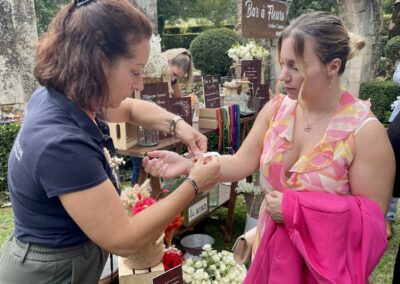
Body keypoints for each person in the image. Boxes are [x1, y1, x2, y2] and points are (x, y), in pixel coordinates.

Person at [143, 11, 395, 282]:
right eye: (282, 64)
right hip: (269, 257)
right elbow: (241, 163)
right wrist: (191, 164)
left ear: (332, 66)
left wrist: (297, 210)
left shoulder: (364, 131)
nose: (283, 76)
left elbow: (370, 225)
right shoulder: (277, 109)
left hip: (322, 272)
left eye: (295, 66)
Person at [0, 1, 220, 283]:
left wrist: (180, 126)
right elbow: (124, 238)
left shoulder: (66, 95)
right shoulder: (61, 143)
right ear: (100, 63)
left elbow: (129, 109)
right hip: (49, 274)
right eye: (136, 71)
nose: (139, 84)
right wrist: (195, 184)